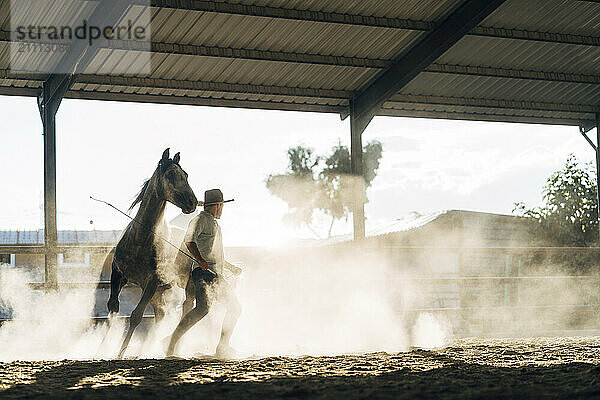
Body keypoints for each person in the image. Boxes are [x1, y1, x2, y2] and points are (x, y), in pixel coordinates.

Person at [166, 189, 242, 358]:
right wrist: (199, 260)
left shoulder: (214, 224)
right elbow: (189, 241)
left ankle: (221, 346)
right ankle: (172, 342)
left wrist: (230, 267)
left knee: (220, 308)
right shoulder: (200, 219)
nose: (222, 209)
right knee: (206, 309)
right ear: (217, 205)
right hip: (203, 273)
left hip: (214, 274)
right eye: (221, 206)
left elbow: (214, 255)